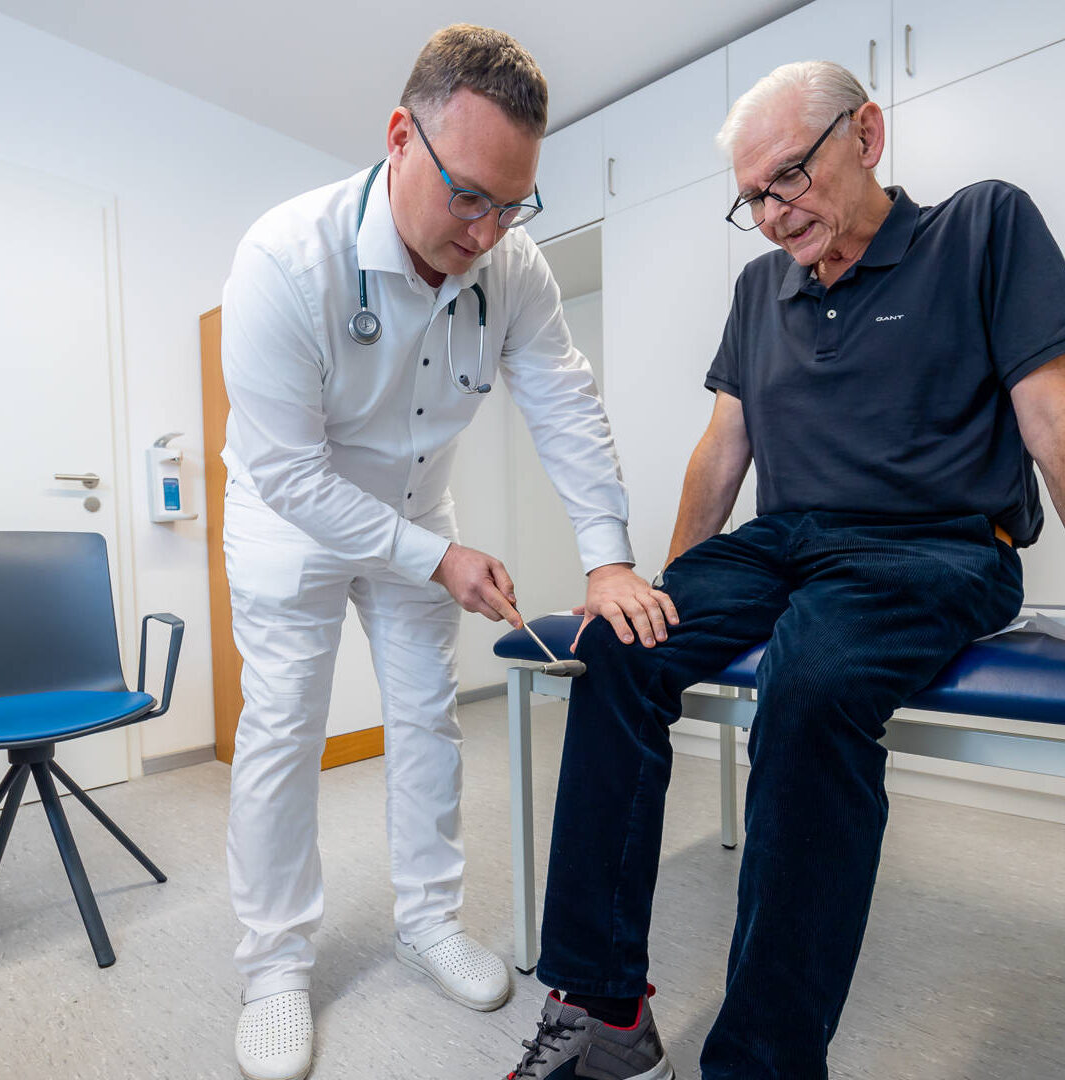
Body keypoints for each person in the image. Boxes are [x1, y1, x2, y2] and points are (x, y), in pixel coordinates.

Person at [505, 59, 1065, 1080]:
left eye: (788, 178)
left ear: (867, 135)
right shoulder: (763, 287)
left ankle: (763, 1065)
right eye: (753, 196)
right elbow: (723, 451)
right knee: (617, 648)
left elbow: (1050, 413)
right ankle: (604, 1011)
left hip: (938, 544)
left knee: (807, 692)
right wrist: (664, 595)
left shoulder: (983, 226)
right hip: (788, 542)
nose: (770, 214)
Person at [220, 24, 676, 1080]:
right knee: (285, 728)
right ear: (398, 138)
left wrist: (607, 557)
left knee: (426, 714)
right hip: (290, 519)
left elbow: (565, 401)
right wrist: (439, 561)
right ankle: (275, 967)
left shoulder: (509, 266)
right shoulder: (286, 261)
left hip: (419, 509)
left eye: (513, 204)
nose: (487, 230)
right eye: (469, 194)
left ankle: (428, 919)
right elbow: (291, 474)